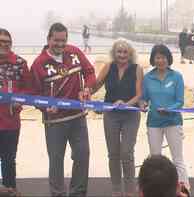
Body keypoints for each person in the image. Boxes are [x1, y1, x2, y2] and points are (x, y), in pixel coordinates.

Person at [30, 23, 96, 197]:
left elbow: (90, 72)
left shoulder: (74, 52)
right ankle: (57, 194)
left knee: (83, 156)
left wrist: (87, 88)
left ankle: (78, 193)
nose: (60, 44)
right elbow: (33, 93)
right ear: (48, 39)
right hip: (55, 122)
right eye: (56, 40)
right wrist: (44, 106)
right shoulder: (38, 63)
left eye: (63, 40)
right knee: (56, 161)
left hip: (78, 116)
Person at [91, 39, 143, 197]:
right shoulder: (108, 66)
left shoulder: (137, 68)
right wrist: (86, 94)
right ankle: (116, 190)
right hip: (111, 115)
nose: (122, 55)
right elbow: (96, 85)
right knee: (113, 153)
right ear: (114, 53)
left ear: (130, 54)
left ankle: (129, 190)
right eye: (119, 52)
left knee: (127, 152)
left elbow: (140, 94)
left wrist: (125, 104)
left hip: (130, 114)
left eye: (125, 52)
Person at [139, 44, 190, 190]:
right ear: (153, 59)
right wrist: (142, 104)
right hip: (154, 123)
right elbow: (144, 98)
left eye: (163, 57)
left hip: (173, 122)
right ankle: (154, 190)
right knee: (154, 160)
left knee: (178, 159)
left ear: (168, 58)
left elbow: (180, 102)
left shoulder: (177, 77)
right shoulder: (148, 77)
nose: (161, 60)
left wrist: (169, 110)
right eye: (158, 57)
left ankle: (185, 189)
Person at [0, 28, 31, 192]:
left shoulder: (20, 63)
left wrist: (19, 99)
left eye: (7, 42)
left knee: (8, 161)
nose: (4, 45)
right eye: (1, 41)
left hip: (10, 123)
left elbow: (29, 88)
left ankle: (10, 191)